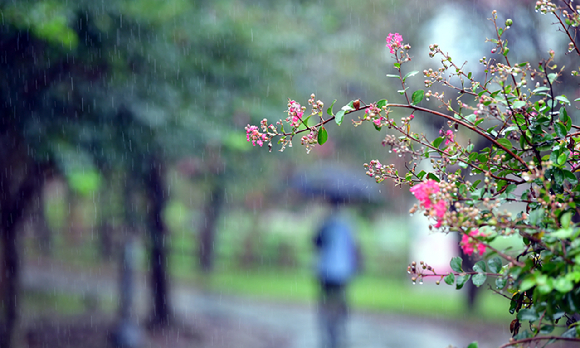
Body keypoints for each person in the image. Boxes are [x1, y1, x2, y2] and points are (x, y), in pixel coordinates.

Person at [313, 198, 358, 348]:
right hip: (343, 269)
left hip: (326, 269)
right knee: (340, 295)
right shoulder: (348, 223)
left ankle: (328, 319)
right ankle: (340, 317)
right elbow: (353, 245)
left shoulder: (326, 223)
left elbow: (316, 242)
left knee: (325, 297)